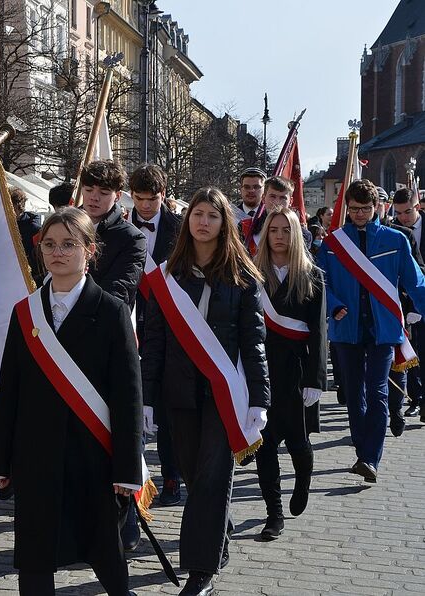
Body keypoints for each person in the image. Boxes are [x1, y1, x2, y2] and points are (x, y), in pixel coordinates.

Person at [0, 207, 143, 595]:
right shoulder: (27, 311)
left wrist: (127, 468)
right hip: (36, 453)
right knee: (35, 555)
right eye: (50, 245)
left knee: (105, 552)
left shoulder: (111, 310)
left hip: (93, 453)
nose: (58, 253)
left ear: (90, 250)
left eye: (69, 244)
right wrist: (1, 458)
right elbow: (10, 388)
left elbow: (128, 396)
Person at [141, 187, 269, 596]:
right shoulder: (167, 277)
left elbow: (254, 342)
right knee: (197, 478)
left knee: (214, 477)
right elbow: (154, 341)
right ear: (188, 221)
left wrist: (261, 399)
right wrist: (147, 395)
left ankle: (200, 571)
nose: (203, 222)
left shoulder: (243, 277)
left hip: (225, 395)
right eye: (197, 214)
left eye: (212, 215)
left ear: (223, 223)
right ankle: (218, 534)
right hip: (180, 393)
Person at [319, 179, 425, 482]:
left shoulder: (395, 240)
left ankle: (370, 457)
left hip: (383, 327)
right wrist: (334, 304)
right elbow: (321, 282)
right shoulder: (333, 243)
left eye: (366, 208)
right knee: (354, 393)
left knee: (377, 390)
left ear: (378, 206)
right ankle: (361, 447)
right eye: (354, 209)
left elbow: (415, 282)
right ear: (347, 208)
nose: (361, 214)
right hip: (346, 327)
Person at [252, 207, 326, 540]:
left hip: (296, 372)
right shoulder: (253, 273)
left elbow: (318, 332)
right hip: (262, 371)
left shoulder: (312, 275)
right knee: (265, 446)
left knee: (299, 442)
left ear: (296, 234)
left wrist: (316, 379)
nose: (279, 236)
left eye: (286, 230)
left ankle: (303, 484)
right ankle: (274, 514)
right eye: (273, 230)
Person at [126, 163, 183, 507]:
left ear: (164, 195)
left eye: (153, 199)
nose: (146, 206)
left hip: (170, 322)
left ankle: (173, 476)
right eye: (140, 199)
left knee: (166, 403)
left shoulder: (179, 228)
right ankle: (133, 476)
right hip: (130, 322)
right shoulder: (116, 226)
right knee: (133, 401)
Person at [80, 160, 147, 309]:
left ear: (117, 196)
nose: (94, 198)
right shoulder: (65, 226)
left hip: (103, 321)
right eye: (89, 190)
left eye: (103, 193)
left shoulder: (132, 239)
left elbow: (119, 290)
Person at [391, 187, 425, 421]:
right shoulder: (394, 231)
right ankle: (415, 399)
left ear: (418, 205)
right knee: (410, 356)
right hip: (404, 304)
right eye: (399, 212)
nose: (403, 217)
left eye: (407, 212)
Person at [242, 176, 311, 255]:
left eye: (282, 198)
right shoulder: (246, 227)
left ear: (291, 201)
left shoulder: (303, 235)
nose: (277, 203)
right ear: (263, 198)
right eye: (272, 196)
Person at [11, 186, 42, 278]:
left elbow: (38, 255)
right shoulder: (3, 224)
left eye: (12, 207)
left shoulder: (34, 228)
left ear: (19, 206)